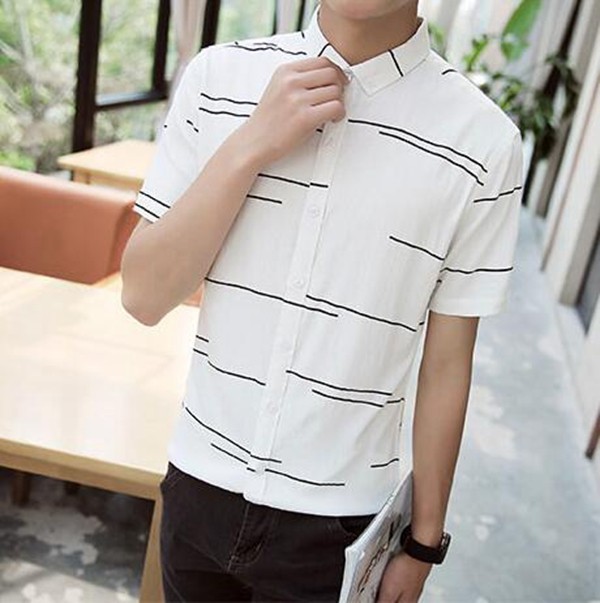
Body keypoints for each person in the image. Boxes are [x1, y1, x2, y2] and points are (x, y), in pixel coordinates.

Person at [121, 0, 523, 601]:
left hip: (339, 524)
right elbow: (144, 296)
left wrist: (423, 544)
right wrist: (251, 144)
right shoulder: (218, 77)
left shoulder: (484, 141)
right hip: (198, 485)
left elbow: (446, 365)